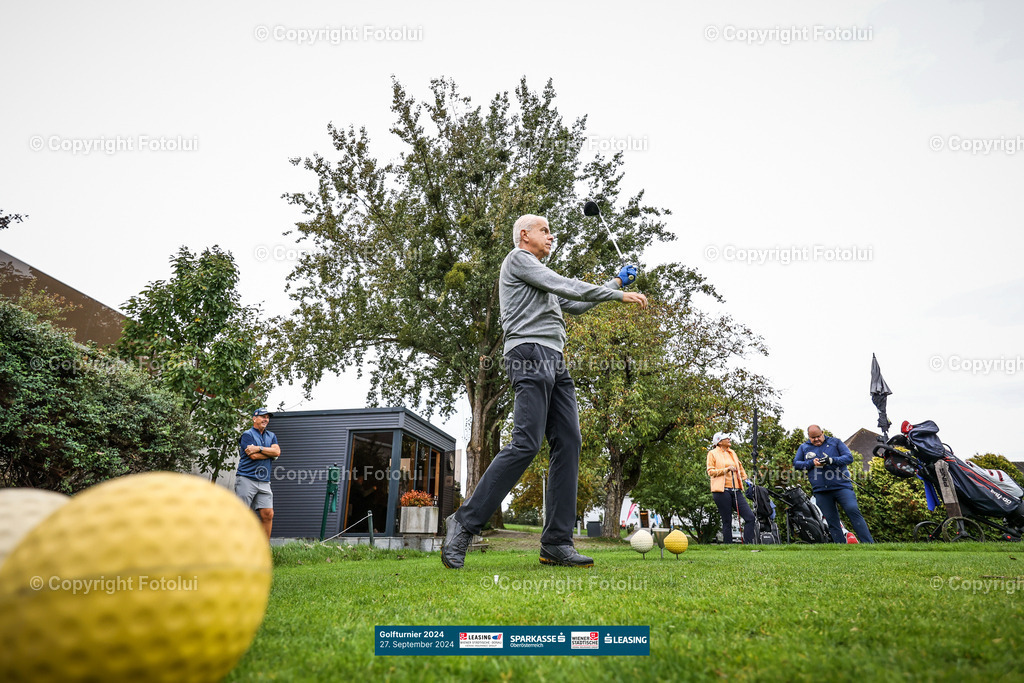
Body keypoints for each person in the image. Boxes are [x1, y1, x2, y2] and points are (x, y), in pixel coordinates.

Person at [441, 214, 648, 569]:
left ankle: (555, 543)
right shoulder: (518, 260)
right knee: (526, 443)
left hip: (554, 359)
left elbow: (576, 303)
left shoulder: (540, 278)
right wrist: (617, 293)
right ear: (525, 235)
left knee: (569, 440)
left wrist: (615, 280)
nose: (551, 237)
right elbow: (568, 285)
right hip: (529, 354)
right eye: (545, 231)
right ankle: (464, 523)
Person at [793, 425, 874, 543]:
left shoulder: (835, 442)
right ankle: (840, 546)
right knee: (831, 520)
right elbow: (796, 464)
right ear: (809, 437)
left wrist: (831, 460)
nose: (816, 439)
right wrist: (811, 463)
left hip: (842, 487)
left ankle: (868, 543)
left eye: (818, 436)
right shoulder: (804, 447)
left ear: (823, 433)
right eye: (813, 438)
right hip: (821, 490)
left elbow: (849, 458)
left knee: (852, 510)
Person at [235, 407, 281, 539]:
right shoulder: (247, 435)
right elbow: (253, 456)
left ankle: (264, 548)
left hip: (264, 481)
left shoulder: (271, 436)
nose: (266, 419)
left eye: (267, 417)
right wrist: (270, 454)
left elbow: (277, 452)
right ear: (254, 419)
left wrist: (259, 448)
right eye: (263, 416)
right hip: (246, 478)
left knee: (268, 514)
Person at [706, 433, 756, 544]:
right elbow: (710, 472)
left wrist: (746, 479)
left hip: (736, 490)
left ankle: (747, 545)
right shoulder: (712, 453)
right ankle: (728, 545)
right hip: (721, 492)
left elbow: (740, 467)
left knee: (750, 517)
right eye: (726, 438)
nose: (729, 439)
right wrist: (726, 469)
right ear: (719, 442)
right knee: (727, 521)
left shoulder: (732, 452)